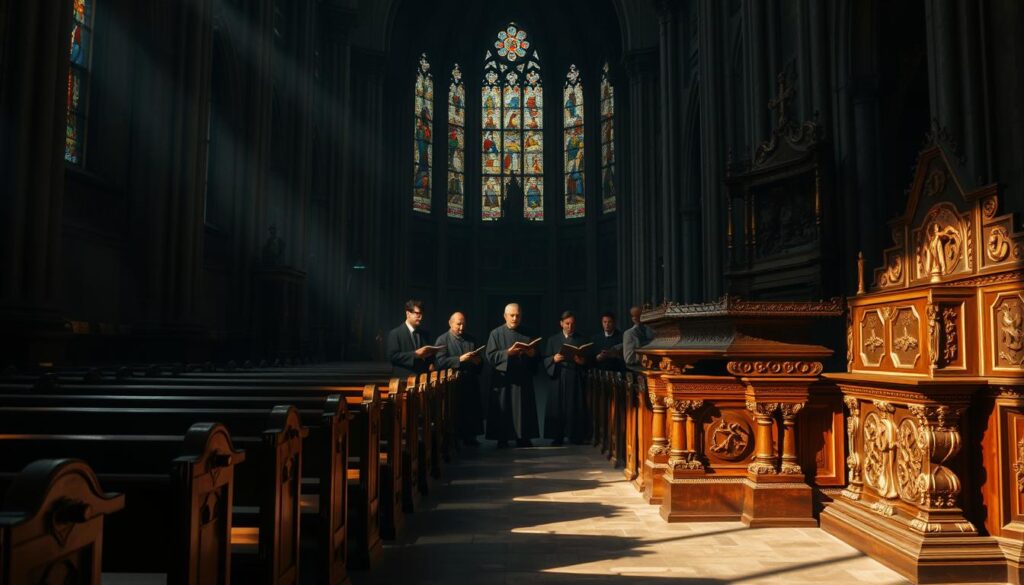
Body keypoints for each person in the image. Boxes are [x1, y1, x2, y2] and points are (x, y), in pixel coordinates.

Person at [485, 303, 540, 448]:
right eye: (512, 315)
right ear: (505, 316)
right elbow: (490, 356)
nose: (515, 318)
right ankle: (502, 438)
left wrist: (532, 354)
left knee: (523, 409)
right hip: (504, 379)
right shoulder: (495, 334)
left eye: (518, 315)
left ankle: (524, 437)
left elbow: (537, 356)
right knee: (503, 407)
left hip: (523, 377)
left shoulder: (528, 332)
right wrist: (507, 353)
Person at [434, 312, 484, 446]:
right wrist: (459, 359)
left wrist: (478, 361)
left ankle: (470, 437)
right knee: (454, 411)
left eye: (463, 324)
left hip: (470, 381)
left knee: (471, 410)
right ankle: (453, 438)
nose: (461, 328)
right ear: (450, 323)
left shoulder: (470, 339)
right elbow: (440, 363)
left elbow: (480, 363)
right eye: (458, 324)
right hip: (452, 383)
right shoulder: (442, 340)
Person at [543, 311, 590, 445]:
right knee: (557, 407)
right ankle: (557, 436)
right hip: (558, 376)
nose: (570, 327)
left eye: (572, 324)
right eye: (567, 324)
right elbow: (545, 359)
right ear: (561, 324)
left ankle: (575, 435)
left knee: (574, 406)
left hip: (574, 377)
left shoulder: (581, 339)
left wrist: (581, 361)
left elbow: (587, 360)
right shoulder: (553, 340)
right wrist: (554, 358)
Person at [385, 299, 436, 378]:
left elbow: (429, 358)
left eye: (421, 313)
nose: (420, 317)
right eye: (417, 313)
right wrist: (415, 354)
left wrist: (431, 362)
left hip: (422, 379)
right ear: (408, 313)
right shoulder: (395, 333)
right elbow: (392, 357)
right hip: (403, 380)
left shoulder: (425, 334)